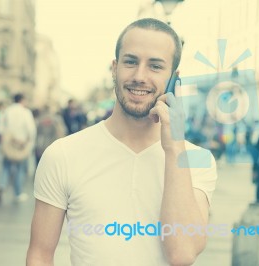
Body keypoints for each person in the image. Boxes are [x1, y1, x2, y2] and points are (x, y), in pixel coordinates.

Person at [27, 18, 218, 265]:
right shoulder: (63, 154)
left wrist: (174, 149)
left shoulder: (196, 161)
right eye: (130, 62)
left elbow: (182, 253)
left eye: (155, 66)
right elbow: (40, 254)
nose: (139, 76)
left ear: (174, 79)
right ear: (114, 68)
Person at [0, 93, 36, 203]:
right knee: (19, 169)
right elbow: (31, 129)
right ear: (22, 100)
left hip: (8, 144)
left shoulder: (6, 111)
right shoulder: (25, 112)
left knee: (6, 167)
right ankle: (17, 192)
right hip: (21, 144)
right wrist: (29, 142)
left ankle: (2, 185)